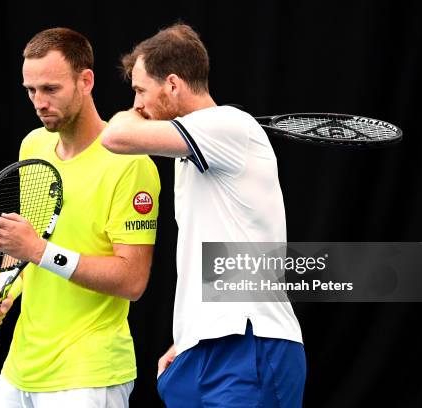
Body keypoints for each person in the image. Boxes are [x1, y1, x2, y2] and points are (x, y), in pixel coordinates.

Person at [100, 23, 306, 407]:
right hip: (202, 350)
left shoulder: (227, 125)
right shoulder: (195, 149)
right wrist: (189, 337)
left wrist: (132, 116)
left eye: (141, 91)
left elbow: (115, 137)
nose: (138, 104)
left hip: (252, 346)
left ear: (173, 85)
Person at [0, 27, 160, 408]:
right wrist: (6, 293)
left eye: (50, 89)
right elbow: (25, 248)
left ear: (85, 81)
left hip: (88, 375)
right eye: (31, 91)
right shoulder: (33, 144)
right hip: (20, 368)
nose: (39, 102)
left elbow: (133, 280)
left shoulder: (132, 164)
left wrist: (40, 251)